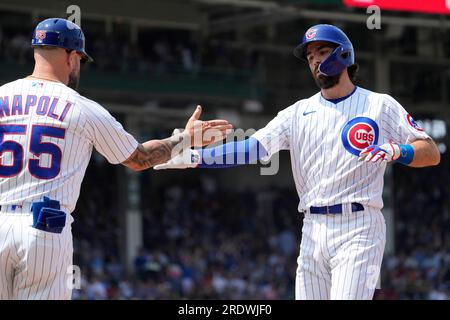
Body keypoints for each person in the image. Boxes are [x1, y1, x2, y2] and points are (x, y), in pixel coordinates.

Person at [154, 24, 441, 300]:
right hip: (313, 226)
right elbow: (253, 148)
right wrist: (194, 157)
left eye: (322, 52)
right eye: (310, 57)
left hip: (360, 225)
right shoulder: (297, 112)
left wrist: (397, 151)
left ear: (343, 54)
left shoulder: (380, 105)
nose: (315, 61)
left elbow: (430, 152)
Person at [0, 18, 232, 300]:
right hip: (44, 228)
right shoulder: (81, 108)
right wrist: (185, 138)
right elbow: (140, 159)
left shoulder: (2, 96)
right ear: (72, 57)